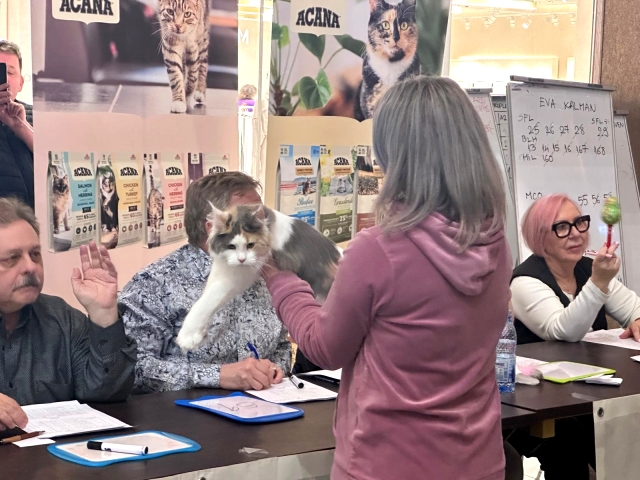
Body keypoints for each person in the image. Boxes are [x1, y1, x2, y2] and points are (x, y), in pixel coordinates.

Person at [261, 76, 512, 479]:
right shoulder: (495, 241)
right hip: (479, 461)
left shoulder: (378, 250)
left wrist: (280, 279)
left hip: (387, 462)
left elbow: (324, 348)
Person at [119, 172, 291, 394]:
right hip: (183, 411)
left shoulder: (264, 272)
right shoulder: (154, 284)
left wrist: (275, 369)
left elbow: (282, 345)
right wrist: (218, 376)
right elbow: (132, 370)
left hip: (266, 406)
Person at [508, 193, 640, 479]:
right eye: (562, 227)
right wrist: (598, 282)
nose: (576, 233)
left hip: (587, 389)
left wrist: (637, 319)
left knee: (623, 425)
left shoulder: (586, 269)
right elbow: (563, 331)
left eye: (580, 223)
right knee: (572, 441)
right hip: (536, 402)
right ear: (540, 238)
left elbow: (633, 307)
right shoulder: (525, 281)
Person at [0, 198, 136, 431]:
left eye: (35, 254)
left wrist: (103, 314)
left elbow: (108, 394)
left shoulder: (61, 318)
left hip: (55, 452)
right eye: (12, 259)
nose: (30, 267)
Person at [0, 40, 34, 209]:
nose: (4, 78)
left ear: (20, 83)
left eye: (10, 72)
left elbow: (57, 161)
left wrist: (21, 127)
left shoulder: (38, 115)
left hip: (36, 217)